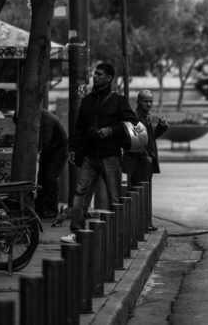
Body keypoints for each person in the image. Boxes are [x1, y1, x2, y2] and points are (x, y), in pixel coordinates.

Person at [61, 62, 138, 243]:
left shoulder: (118, 101)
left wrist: (111, 130)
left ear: (109, 78)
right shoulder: (87, 101)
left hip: (110, 156)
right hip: (89, 156)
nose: (95, 77)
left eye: (100, 74)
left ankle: (119, 236)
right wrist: (73, 148)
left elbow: (132, 122)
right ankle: (76, 232)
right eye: (95, 74)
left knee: (114, 197)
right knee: (80, 195)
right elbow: (79, 127)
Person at [122, 90, 168, 231]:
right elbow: (133, 141)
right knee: (139, 192)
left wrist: (161, 128)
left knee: (145, 192)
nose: (149, 104)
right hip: (138, 161)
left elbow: (148, 138)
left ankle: (145, 223)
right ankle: (140, 224)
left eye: (151, 101)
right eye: (145, 101)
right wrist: (145, 155)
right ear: (138, 102)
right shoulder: (135, 118)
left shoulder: (147, 117)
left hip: (146, 160)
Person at [35, 109, 68, 218]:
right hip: (53, 149)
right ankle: (42, 207)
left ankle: (51, 209)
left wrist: (35, 152)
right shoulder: (42, 115)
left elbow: (45, 141)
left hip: (58, 150)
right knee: (43, 178)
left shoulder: (45, 119)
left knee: (49, 178)